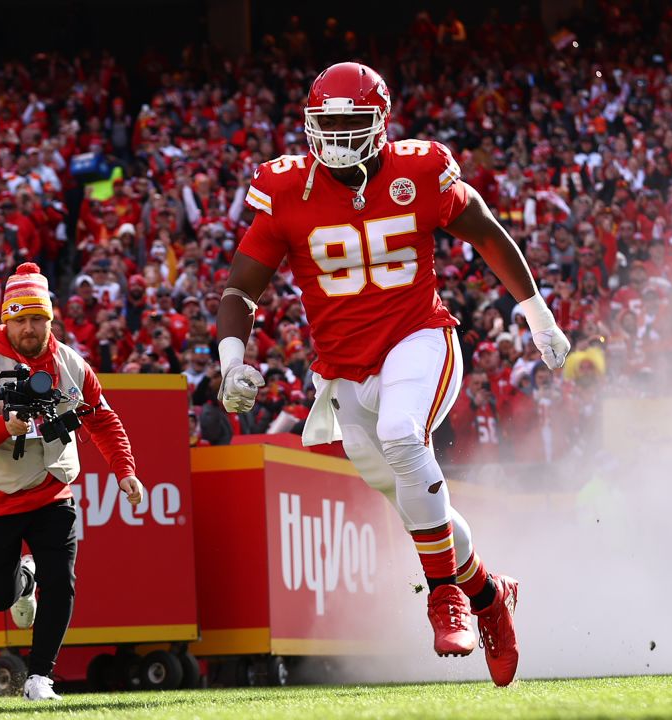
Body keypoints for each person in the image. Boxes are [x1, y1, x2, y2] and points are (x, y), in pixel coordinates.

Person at [216, 62, 571, 687]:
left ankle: (445, 598)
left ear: (380, 121)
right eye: (328, 123)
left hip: (420, 338)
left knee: (407, 438)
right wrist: (232, 360)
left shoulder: (421, 171)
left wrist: (536, 313)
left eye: (353, 121)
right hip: (344, 370)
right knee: (416, 505)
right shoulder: (286, 188)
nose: (339, 135)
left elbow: (486, 234)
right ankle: (489, 595)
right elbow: (242, 290)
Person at [0, 262, 144, 701]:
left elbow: (104, 421)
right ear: (6, 319)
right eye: (20, 319)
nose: (30, 328)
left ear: (50, 319)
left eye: (38, 318)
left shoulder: (71, 363)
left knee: (63, 579)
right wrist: (8, 426)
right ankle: (22, 581)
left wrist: (125, 470)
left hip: (51, 488)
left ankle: (40, 677)